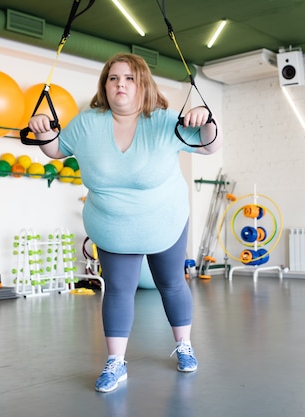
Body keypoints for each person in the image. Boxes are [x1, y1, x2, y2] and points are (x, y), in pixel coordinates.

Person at [28, 53, 223, 393]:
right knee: (118, 290)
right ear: (105, 85)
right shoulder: (88, 123)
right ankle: (115, 363)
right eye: (113, 77)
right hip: (112, 224)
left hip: (164, 218)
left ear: (143, 84)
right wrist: (42, 128)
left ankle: (185, 346)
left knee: (171, 283)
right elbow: (56, 150)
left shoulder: (163, 121)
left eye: (129, 78)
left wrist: (206, 118)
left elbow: (209, 146)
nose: (120, 83)